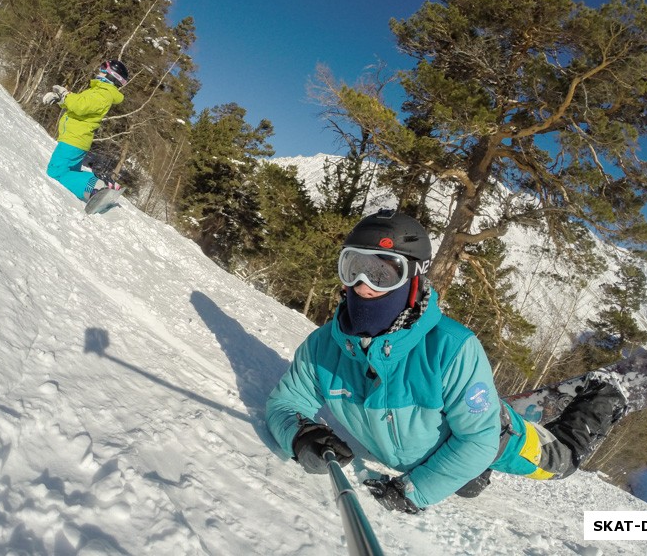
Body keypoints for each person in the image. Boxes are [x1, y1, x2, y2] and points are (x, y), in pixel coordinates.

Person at [265, 209, 627, 513]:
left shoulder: (452, 347)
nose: (363, 285)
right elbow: (285, 403)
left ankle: (605, 397)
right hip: (449, 427)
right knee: (467, 476)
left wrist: (413, 491)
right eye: (352, 267)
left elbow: (478, 441)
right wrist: (298, 435)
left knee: (559, 462)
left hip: (495, 439)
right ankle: (480, 420)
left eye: (382, 273)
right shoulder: (323, 347)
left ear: (412, 277)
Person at [42, 60, 128, 201]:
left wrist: (66, 95)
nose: (99, 71)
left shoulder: (103, 94)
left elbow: (80, 106)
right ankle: (98, 185)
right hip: (75, 138)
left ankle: (99, 187)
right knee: (70, 173)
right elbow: (80, 105)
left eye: (103, 69)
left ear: (112, 76)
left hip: (74, 139)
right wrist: (60, 99)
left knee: (56, 172)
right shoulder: (99, 91)